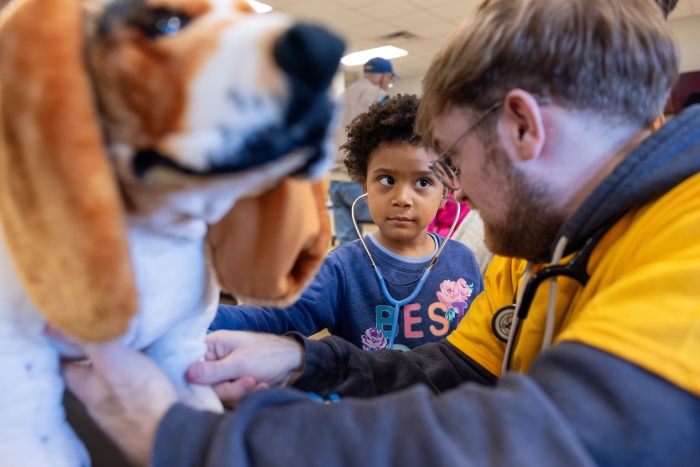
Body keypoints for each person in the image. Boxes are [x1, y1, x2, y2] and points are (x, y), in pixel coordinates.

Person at [63, 0, 700, 466]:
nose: (460, 192)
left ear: (523, 128)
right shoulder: (539, 249)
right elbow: (456, 369)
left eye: (449, 163)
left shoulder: (687, 231)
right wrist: (304, 357)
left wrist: (185, 440)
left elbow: (539, 439)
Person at [210, 94, 483, 351]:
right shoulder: (341, 269)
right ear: (365, 185)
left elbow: (482, 341)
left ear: (445, 191)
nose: (402, 198)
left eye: (423, 182)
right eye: (386, 180)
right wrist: (198, 317)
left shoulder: (464, 261)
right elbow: (273, 317)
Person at [329, 57, 399, 244]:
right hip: (358, 181)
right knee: (389, 235)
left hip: (336, 182)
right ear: (384, 76)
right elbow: (387, 134)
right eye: (390, 78)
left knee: (347, 243)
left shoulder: (342, 97)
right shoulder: (377, 94)